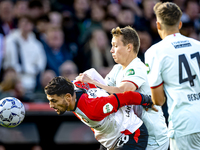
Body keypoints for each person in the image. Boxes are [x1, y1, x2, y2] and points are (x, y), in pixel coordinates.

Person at [76, 26, 169, 150]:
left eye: (115, 45)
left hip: (153, 137)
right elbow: (105, 92)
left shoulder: (137, 67)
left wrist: (92, 81)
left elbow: (123, 91)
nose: (111, 50)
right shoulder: (117, 69)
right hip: (134, 132)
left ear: (129, 47)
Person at [144, 2, 200, 150]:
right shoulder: (197, 45)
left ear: (158, 25)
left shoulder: (154, 52)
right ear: (180, 24)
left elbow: (158, 100)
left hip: (184, 123)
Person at [44, 76, 154, 150]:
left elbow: (126, 97)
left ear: (68, 97)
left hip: (131, 134)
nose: (51, 105)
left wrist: (147, 100)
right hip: (110, 137)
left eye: (54, 101)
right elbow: (84, 76)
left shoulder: (93, 110)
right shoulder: (74, 85)